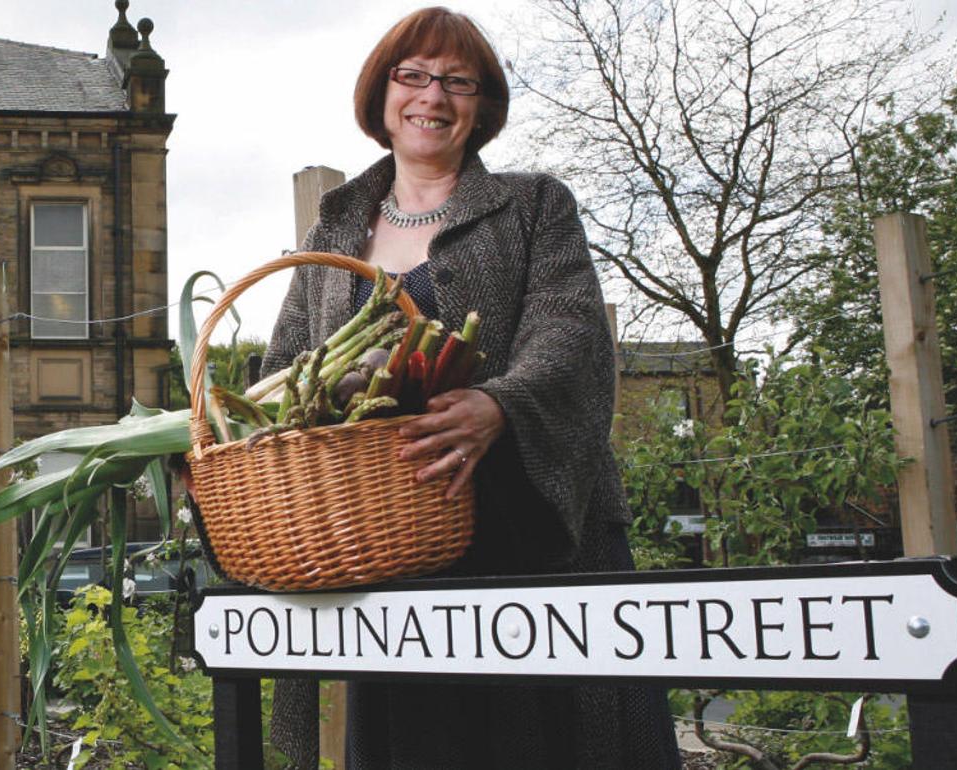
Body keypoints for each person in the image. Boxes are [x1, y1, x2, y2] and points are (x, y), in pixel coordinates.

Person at [262, 7, 681, 769]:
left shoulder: (533, 205)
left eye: (459, 81)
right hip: (394, 551)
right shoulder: (332, 233)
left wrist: (501, 405)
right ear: (381, 95)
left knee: (559, 745)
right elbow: (282, 369)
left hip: (532, 536)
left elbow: (571, 331)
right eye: (413, 75)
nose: (434, 95)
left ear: (483, 107)